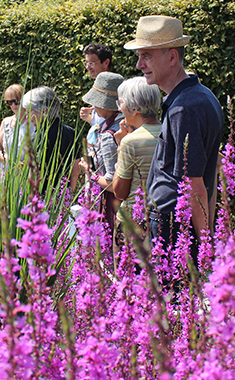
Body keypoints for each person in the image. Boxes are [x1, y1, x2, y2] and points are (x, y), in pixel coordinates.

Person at [124, 15, 223, 254]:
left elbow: (194, 184)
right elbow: (211, 172)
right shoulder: (201, 95)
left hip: (175, 233)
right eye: (139, 56)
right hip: (175, 229)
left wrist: (207, 251)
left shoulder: (184, 108)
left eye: (146, 55)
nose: (139, 65)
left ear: (171, 57)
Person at [111, 77, 162, 260]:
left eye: (121, 102)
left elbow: (120, 192)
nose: (119, 108)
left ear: (134, 108)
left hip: (133, 224)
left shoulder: (129, 142)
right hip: (162, 221)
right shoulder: (170, 132)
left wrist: (120, 148)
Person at [79, 72, 125, 232]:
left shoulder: (107, 136)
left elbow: (112, 184)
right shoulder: (125, 125)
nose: (94, 107)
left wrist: (89, 172)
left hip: (111, 207)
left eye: (96, 103)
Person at [21, 86, 80, 195]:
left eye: (29, 111)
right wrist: (69, 194)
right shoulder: (70, 132)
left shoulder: (38, 138)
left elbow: (35, 175)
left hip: (43, 198)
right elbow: (76, 168)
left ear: (44, 111)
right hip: (64, 196)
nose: (27, 116)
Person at [80, 43, 112, 126]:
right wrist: (88, 117)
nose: (87, 67)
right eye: (86, 63)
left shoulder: (114, 87)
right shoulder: (98, 85)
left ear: (106, 63)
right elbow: (100, 125)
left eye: (92, 63)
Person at [0, 84, 24, 175]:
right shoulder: (5, 122)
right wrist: (5, 159)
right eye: (9, 102)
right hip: (5, 171)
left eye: (16, 101)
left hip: (24, 172)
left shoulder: (33, 122)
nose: (13, 105)